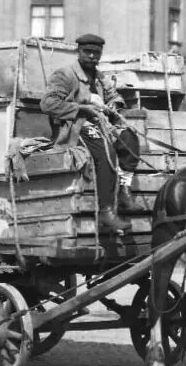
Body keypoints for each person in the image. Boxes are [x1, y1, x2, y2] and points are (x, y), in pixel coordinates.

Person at [40, 33, 141, 232]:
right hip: (74, 128)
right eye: (88, 52)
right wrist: (81, 107)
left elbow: (116, 96)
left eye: (96, 53)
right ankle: (106, 212)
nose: (92, 57)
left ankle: (124, 192)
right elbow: (48, 103)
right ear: (78, 52)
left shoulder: (101, 77)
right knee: (106, 154)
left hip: (100, 125)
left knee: (130, 138)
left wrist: (113, 105)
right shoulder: (65, 75)